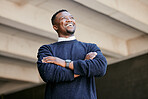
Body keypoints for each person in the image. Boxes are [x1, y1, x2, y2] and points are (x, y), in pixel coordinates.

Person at [37, 9, 107, 99]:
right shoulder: (47, 49)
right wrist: (84, 63)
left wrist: (64, 63)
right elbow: (49, 74)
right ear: (55, 27)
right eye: (63, 18)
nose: (69, 20)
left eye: (71, 18)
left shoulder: (90, 47)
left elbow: (100, 68)